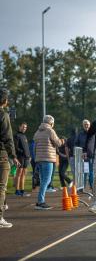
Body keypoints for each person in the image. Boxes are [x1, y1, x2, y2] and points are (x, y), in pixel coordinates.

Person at [33, 115, 64, 210]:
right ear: (51, 123)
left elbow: (34, 146)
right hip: (48, 158)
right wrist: (62, 141)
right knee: (47, 180)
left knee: (43, 180)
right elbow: (58, 143)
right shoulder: (50, 130)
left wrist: (36, 157)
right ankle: (40, 201)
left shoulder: (37, 132)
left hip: (39, 159)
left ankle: (40, 200)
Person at [0, 88, 20, 228]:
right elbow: (8, 138)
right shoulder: (3, 115)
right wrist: (13, 156)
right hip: (1, 155)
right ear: (5, 101)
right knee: (1, 187)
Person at [75, 119, 95, 190]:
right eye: (85, 124)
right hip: (82, 157)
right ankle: (82, 187)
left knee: (91, 172)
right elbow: (76, 144)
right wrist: (79, 151)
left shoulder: (93, 133)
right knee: (83, 172)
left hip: (91, 156)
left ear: (90, 125)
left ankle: (92, 186)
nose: (86, 126)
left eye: (88, 124)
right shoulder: (80, 134)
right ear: (83, 126)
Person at [13, 122, 31, 197]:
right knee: (19, 173)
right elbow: (16, 148)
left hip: (26, 158)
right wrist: (23, 152)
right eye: (23, 127)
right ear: (19, 127)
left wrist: (29, 156)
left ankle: (22, 190)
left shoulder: (24, 136)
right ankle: (17, 191)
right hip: (20, 157)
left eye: (25, 127)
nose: (24, 128)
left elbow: (26, 147)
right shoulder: (16, 136)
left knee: (24, 174)